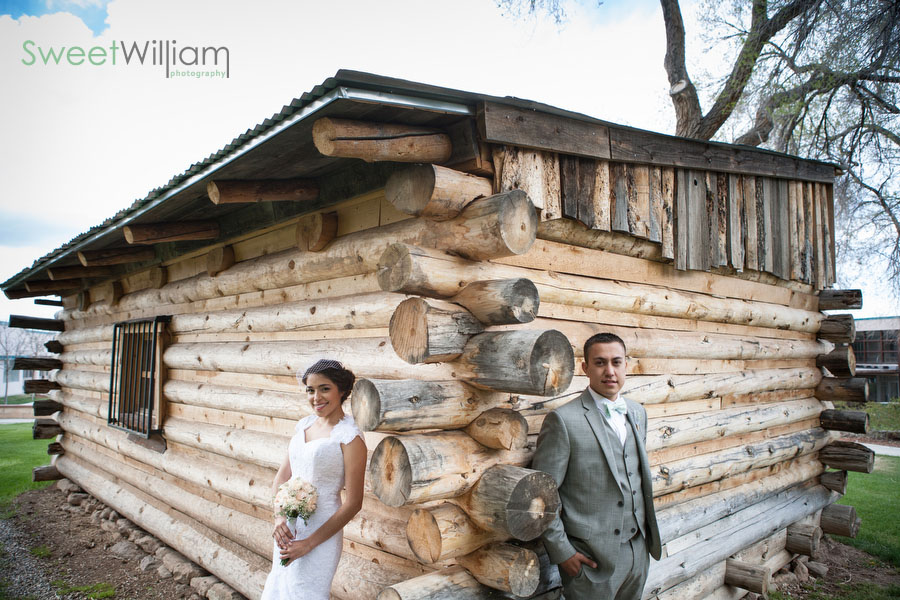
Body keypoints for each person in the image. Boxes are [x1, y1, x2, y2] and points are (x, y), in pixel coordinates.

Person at [530, 333, 661, 600]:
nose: (609, 371)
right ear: (585, 368)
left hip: (638, 551)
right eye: (600, 363)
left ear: (627, 365)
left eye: (616, 362)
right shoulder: (563, 421)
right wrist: (563, 552)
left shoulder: (637, 413)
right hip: (590, 560)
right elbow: (541, 495)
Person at [260, 358, 367, 600]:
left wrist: (309, 543)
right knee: (280, 588)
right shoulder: (303, 426)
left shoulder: (350, 437)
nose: (316, 398)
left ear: (342, 390)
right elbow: (282, 477)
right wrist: (279, 519)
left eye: (324, 389)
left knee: (306, 593)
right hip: (289, 528)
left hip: (322, 531)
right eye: (310, 390)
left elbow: (354, 503)